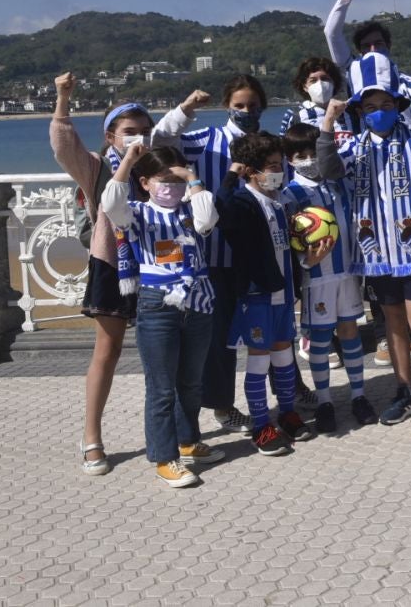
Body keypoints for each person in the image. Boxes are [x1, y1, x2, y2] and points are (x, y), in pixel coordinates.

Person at [331, 52, 411, 434]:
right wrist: (326, 124)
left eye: (386, 104)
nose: (378, 111)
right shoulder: (353, 147)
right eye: (370, 106)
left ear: (398, 105)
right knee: (393, 323)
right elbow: (328, 170)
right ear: (360, 111)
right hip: (375, 253)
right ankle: (405, 388)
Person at [51, 81, 160, 477]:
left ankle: (172, 432)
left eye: (143, 128)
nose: (137, 136)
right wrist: (63, 99)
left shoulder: (158, 164)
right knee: (108, 350)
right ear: (110, 136)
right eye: (128, 130)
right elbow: (64, 147)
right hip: (114, 265)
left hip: (159, 265)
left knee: (163, 350)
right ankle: (91, 436)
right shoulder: (96, 168)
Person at [100, 143, 222, 488]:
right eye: (162, 180)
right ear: (145, 183)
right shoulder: (136, 213)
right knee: (161, 387)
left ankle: (188, 441)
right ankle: (164, 457)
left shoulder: (189, 209)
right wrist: (128, 160)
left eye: (176, 179)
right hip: (157, 302)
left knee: (192, 381)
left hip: (198, 299)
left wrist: (192, 178)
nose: (171, 186)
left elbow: (207, 218)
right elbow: (110, 203)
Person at [155, 76, 269, 435]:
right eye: (239, 105)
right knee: (218, 338)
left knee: (269, 329)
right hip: (213, 256)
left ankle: (287, 391)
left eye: (252, 105)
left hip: (260, 254)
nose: (247, 111)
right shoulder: (206, 140)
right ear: (227, 106)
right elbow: (160, 142)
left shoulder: (268, 144)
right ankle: (223, 406)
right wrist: (186, 110)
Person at [214, 132, 317, 454]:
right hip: (256, 296)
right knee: (258, 363)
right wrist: (232, 173)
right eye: (271, 166)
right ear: (251, 171)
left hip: (284, 293)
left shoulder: (279, 200)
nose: (279, 171)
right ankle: (261, 426)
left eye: (280, 164)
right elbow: (220, 206)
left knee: (284, 357)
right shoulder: (243, 201)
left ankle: (287, 413)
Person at [282, 117, 378, 431]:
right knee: (320, 341)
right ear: (289, 160)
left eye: (312, 152)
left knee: (350, 332)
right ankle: (324, 401)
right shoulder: (290, 194)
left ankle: (359, 396)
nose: (308, 160)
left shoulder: (340, 184)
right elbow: (289, 242)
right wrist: (306, 260)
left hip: (347, 274)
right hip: (316, 279)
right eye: (299, 155)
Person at [323, 0, 411, 135]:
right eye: (366, 46)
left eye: (378, 43)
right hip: (364, 155)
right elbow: (331, 34)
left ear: (388, 46)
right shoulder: (354, 75)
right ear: (359, 51)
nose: (373, 49)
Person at [278, 56, 354, 144]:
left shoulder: (350, 113)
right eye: (313, 80)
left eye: (325, 79)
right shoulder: (294, 115)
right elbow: (283, 149)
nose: (320, 84)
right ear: (304, 86)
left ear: (334, 82)